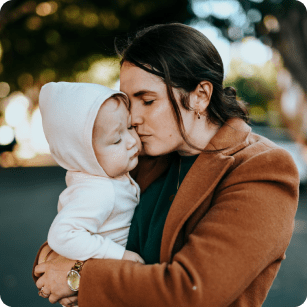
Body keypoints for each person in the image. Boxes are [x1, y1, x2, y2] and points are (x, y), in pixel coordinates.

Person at [33, 23, 299, 307]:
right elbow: (58, 249)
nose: (133, 118)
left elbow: (191, 291)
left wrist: (80, 277)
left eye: (147, 100)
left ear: (200, 96)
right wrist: (57, 262)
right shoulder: (139, 154)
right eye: (129, 102)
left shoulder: (262, 167)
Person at [37, 82, 144, 298]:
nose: (132, 141)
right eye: (116, 139)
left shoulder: (108, 176)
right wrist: (118, 255)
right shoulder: (99, 191)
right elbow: (61, 235)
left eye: (130, 127)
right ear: (84, 155)